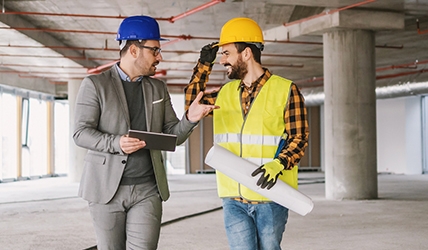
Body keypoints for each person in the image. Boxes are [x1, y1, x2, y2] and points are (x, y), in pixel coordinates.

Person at [73, 15, 217, 249]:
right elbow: (81, 133)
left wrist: (190, 119)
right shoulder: (96, 85)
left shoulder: (157, 87)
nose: (159, 57)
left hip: (148, 189)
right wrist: (116, 142)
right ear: (133, 50)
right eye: (155, 50)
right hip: (106, 190)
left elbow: (173, 136)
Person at [185, 17, 309, 250]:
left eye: (226, 54)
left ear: (246, 54)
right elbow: (192, 105)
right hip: (233, 198)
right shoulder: (225, 93)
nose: (222, 60)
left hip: (271, 196)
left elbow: (299, 137)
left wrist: (278, 164)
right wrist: (203, 65)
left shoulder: (285, 90)